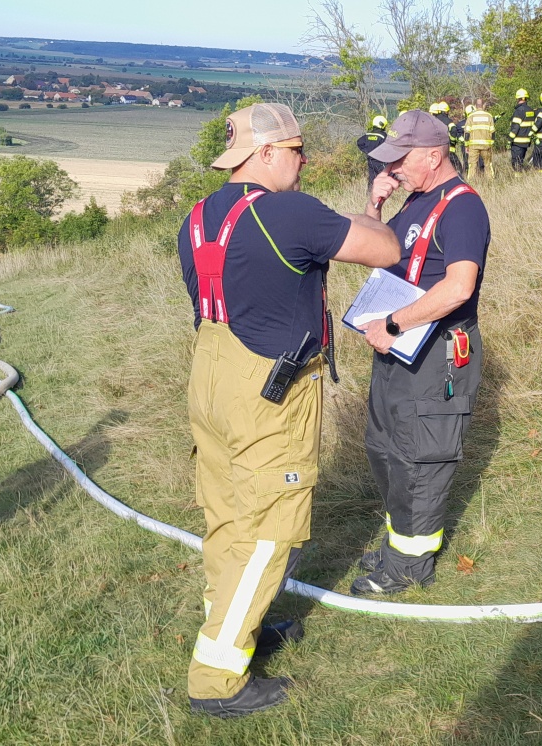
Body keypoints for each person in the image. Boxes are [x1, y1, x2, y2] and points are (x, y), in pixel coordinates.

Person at [177, 103, 400, 717]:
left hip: (210, 379)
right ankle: (217, 679)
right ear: (268, 152)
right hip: (269, 392)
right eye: (298, 151)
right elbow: (384, 249)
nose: (303, 163)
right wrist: (369, 210)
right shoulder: (288, 212)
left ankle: (235, 632)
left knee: (227, 518)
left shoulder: (197, 217)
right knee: (270, 529)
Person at [350, 110, 491, 595]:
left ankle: (410, 566)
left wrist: (394, 323)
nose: (392, 169)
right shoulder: (414, 200)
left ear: (433, 156)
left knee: (419, 457)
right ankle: (397, 548)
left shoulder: (463, 208)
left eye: (400, 160)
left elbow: (459, 287)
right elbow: (375, 252)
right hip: (399, 347)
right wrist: (374, 206)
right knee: (385, 447)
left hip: (435, 353)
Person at [464, 104, 495, 181]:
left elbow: (467, 133)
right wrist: (491, 144)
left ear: (476, 106)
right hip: (486, 146)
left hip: (473, 146)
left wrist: (466, 145)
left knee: (472, 165)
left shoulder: (470, 117)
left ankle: (470, 181)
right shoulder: (489, 116)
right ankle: (491, 180)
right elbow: (493, 132)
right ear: (483, 106)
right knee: (488, 164)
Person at [508, 89, 536, 175]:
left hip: (517, 141)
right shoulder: (531, 110)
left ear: (518, 99)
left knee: (516, 162)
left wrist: (509, 140)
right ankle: (520, 175)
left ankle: (518, 178)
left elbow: (515, 127)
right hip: (526, 141)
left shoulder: (518, 111)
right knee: (521, 160)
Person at [356, 115, 389, 186]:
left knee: (372, 180)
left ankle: (369, 192)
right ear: (382, 125)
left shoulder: (368, 135)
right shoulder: (383, 136)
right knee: (385, 179)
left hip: (370, 161)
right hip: (380, 162)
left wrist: (367, 151)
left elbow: (359, 142)